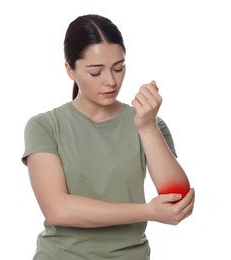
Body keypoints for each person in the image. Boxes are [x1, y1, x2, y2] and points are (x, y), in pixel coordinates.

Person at [22, 14, 195, 260]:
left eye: (119, 68)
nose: (111, 81)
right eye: (96, 72)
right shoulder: (45, 126)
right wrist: (147, 211)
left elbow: (178, 199)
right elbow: (58, 210)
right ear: (69, 70)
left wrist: (146, 127)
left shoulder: (149, 124)